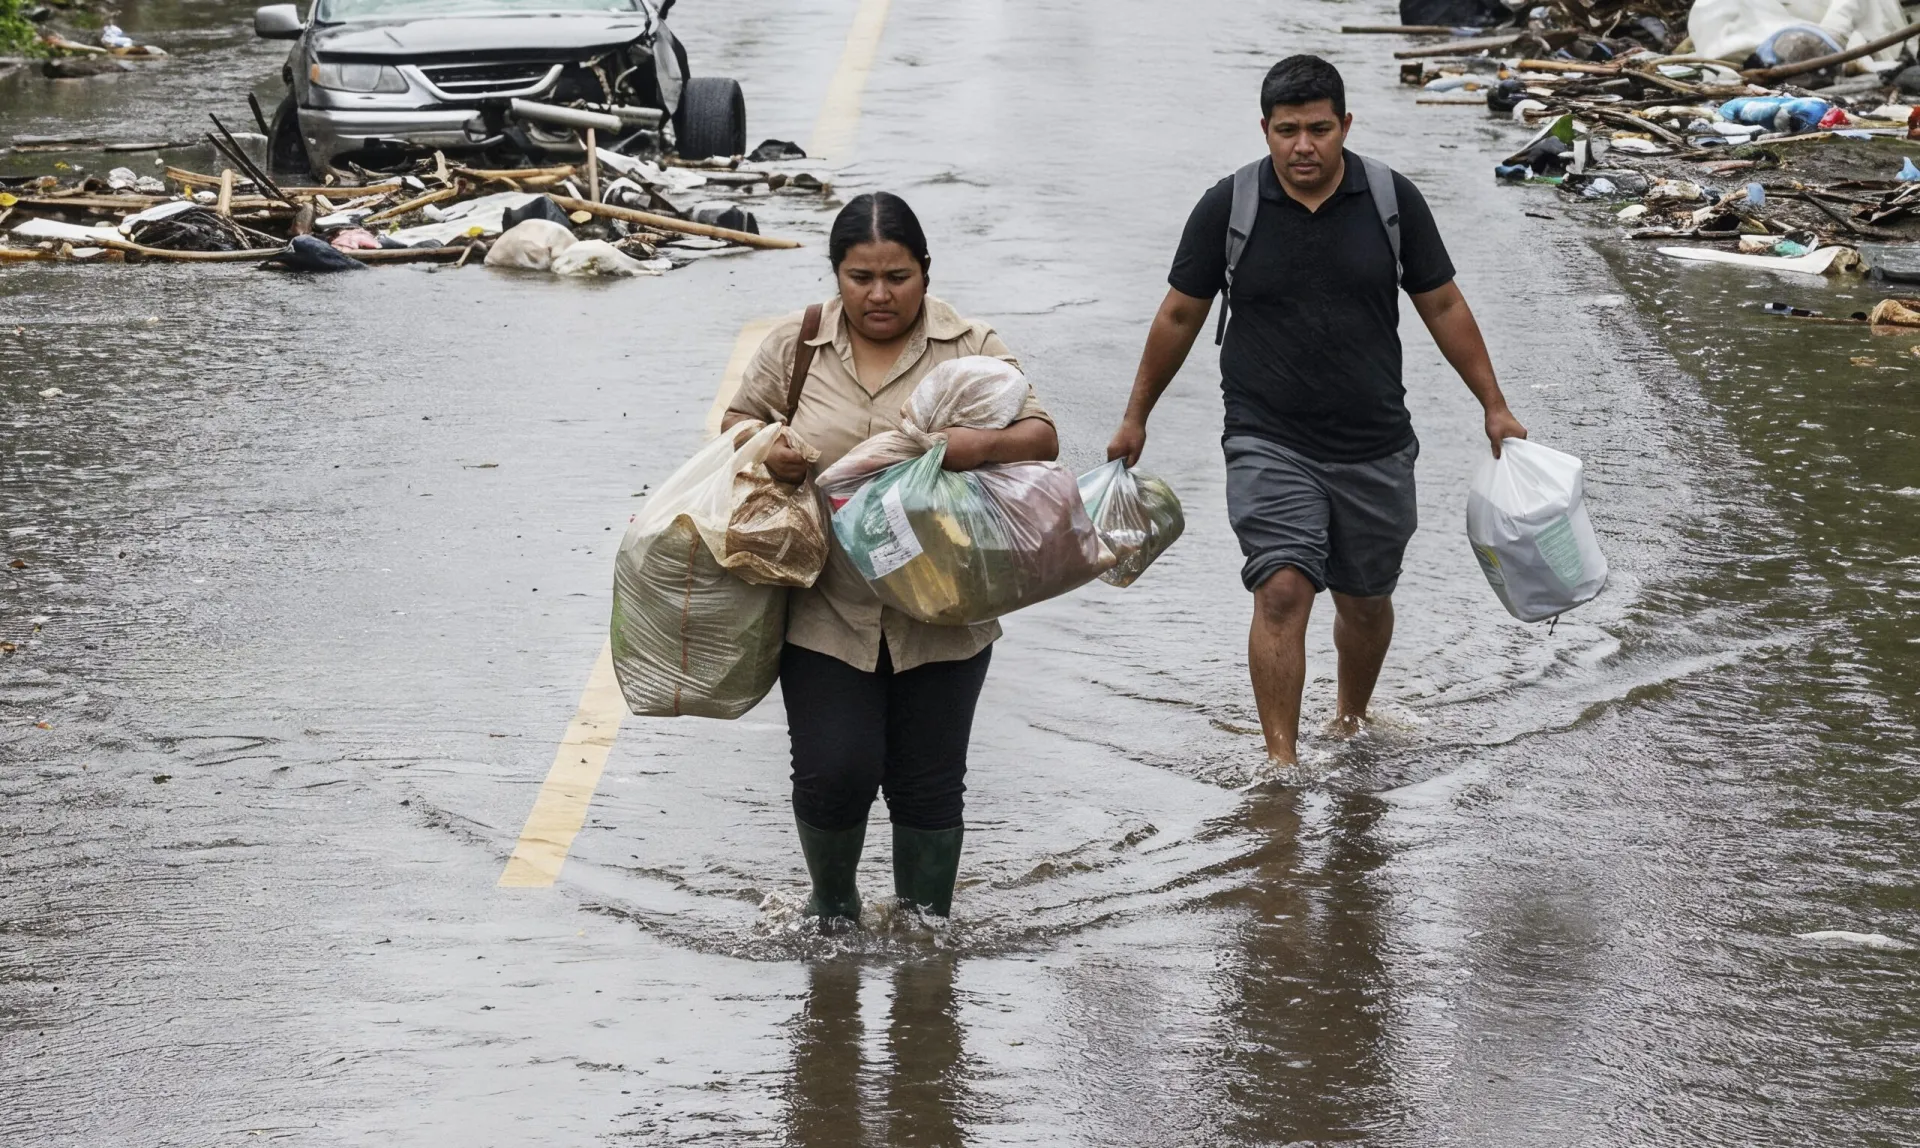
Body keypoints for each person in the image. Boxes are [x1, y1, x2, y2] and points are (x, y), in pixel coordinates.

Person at [1105, 55, 1528, 767]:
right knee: (1280, 588)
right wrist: (1135, 415)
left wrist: (1495, 405)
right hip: (1266, 436)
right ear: (1265, 130)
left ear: (1346, 126)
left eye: (1320, 130)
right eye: (1288, 131)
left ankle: (1351, 719)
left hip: (1375, 440)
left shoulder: (1390, 199)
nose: (1304, 146)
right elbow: (1179, 314)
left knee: (1365, 601)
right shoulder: (1229, 207)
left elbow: (1443, 304)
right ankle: (1282, 767)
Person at [722, 192, 1058, 926]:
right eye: (861, 277)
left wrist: (979, 446)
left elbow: (1042, 437)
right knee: (833, 772)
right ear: (836, 275)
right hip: (825, 605)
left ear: (926, 273)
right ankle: (832, 914)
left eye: (898, 277)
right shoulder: (797, 345)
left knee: (928, 784)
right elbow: (738, 421)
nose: (880, 294)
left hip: (945, 608)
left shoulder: (970, 346)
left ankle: (924, 936)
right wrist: (767, 448)